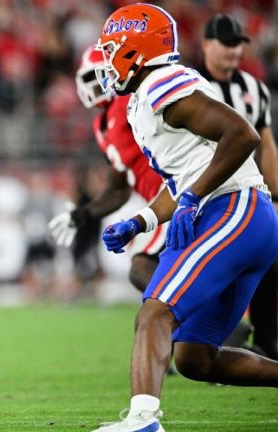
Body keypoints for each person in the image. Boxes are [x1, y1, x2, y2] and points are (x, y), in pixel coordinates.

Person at [92, 4, 278, 431]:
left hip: (235, 209)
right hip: (244, 217)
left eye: (111, 50)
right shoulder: (147, 97)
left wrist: (195, 195)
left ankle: (142, 421)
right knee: (195, 357)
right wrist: (141, 222)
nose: (106, 60)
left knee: (155, 312)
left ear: (134, 51)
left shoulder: (161, 83)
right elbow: (185, 178)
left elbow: (242, 135)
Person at [49, 46, 166, 294]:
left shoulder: (130, 100)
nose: (96, 86)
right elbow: (118, 191)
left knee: (143, 267)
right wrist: (82, 215)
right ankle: (210, 323)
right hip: (156, 205)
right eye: (89, 79)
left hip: (172, 195)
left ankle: (201, 322)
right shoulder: (101, 127)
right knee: (154, 269)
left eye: (100, 76)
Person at [196, 13, 278, 360]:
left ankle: (265, 338)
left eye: (238, 44)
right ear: (206, 45)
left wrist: (275, 195)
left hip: (248, 195)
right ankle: (195, 340)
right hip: (203, 195)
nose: (233, 51)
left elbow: (267, 145)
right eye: (227, 44)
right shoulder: (191, 86)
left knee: (268, 262)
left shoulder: (254, 89)